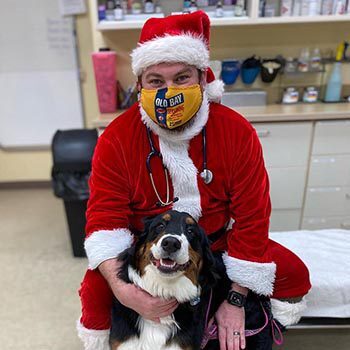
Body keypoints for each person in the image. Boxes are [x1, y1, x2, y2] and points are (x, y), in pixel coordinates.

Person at [77, 11, 311, 350]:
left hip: (215, 241)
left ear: (202, 78)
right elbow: (103, 222)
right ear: (139, 84)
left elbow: (252, 217)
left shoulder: (236, 131)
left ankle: (260, 326)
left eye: (181, 78)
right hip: (145, 242)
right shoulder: (116, 137)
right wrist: (125, 291)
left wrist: (235, 299)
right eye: (156, 81)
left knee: (292, 272)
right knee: (95, 292)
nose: (168, 91)